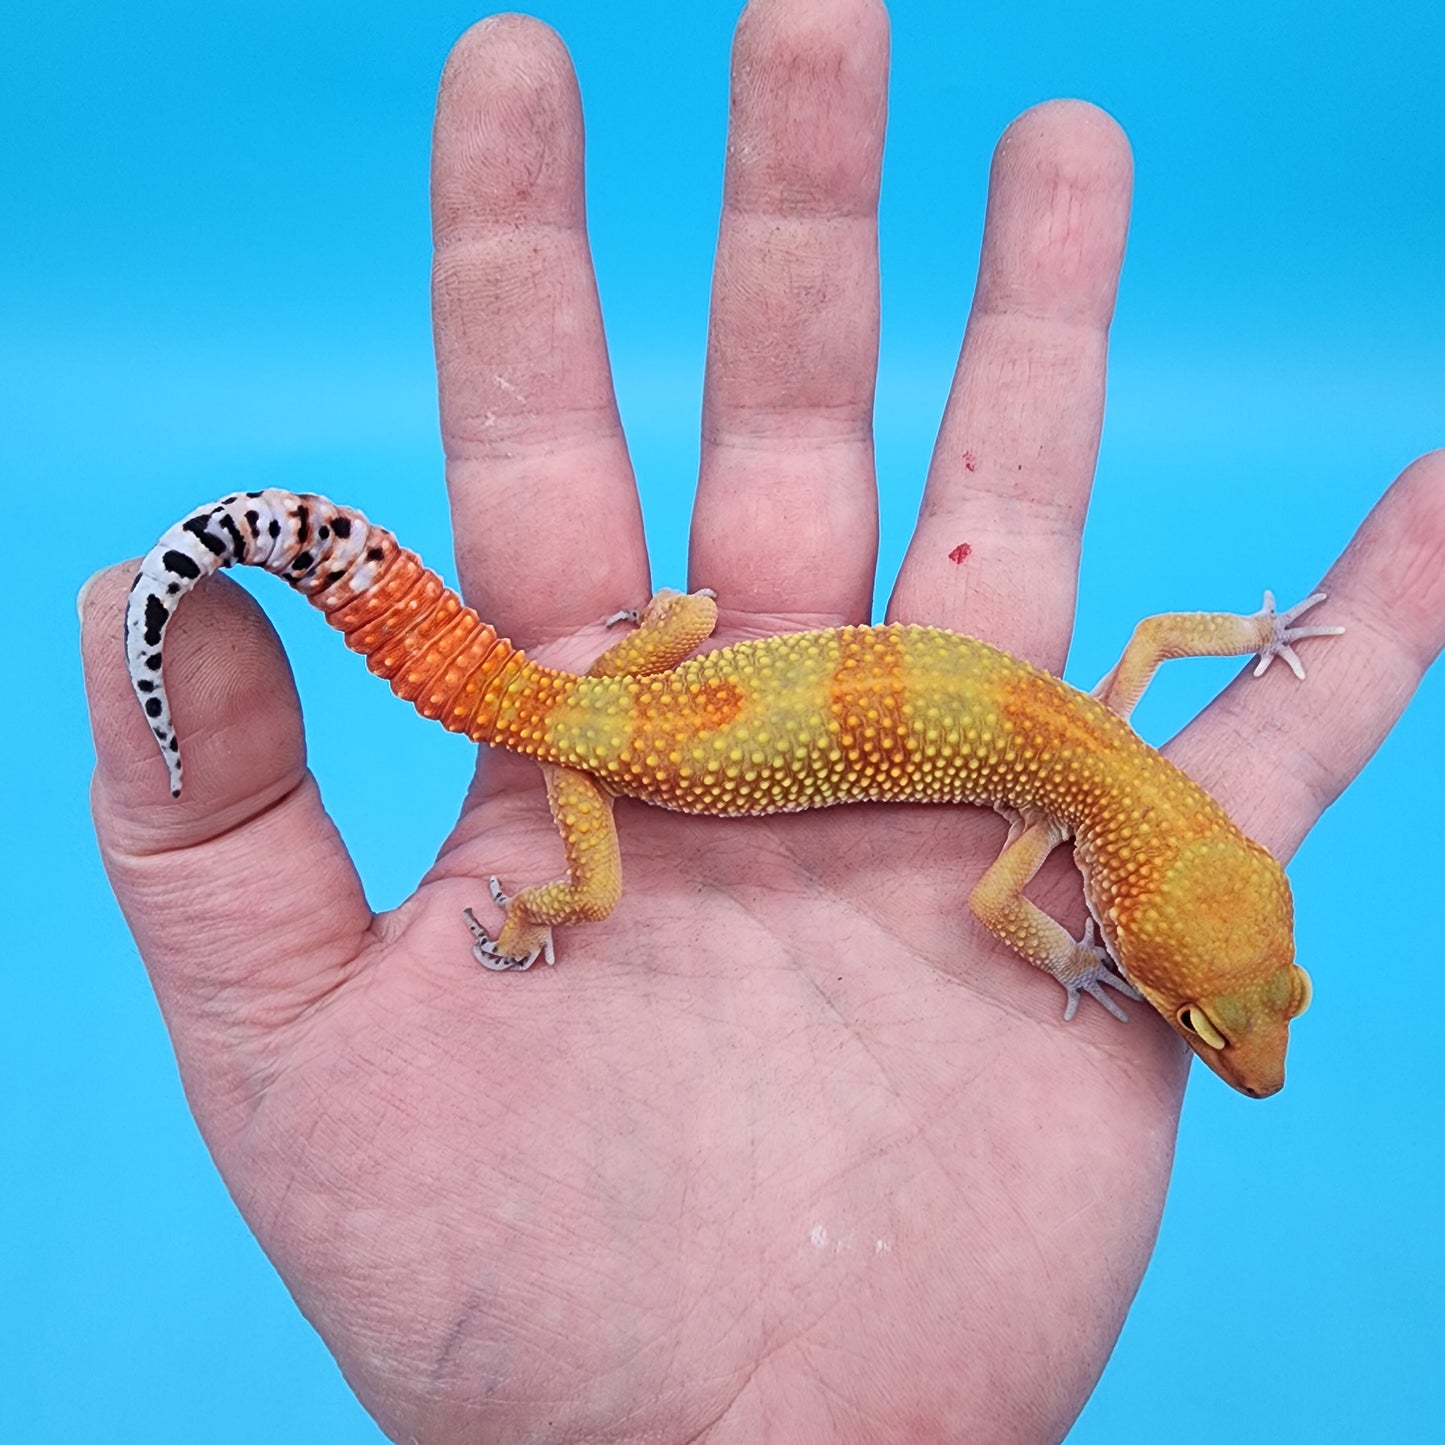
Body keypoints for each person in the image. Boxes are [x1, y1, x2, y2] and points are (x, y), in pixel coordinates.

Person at [79, 2, 1444, 1439]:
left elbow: (1161, 636)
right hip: (594, 745)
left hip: (643, 686)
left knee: (658, 628)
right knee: (592, 886)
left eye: (1228, 1011)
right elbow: (998, 912)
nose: (1231, 1034)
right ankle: (538, 887)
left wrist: (1253, 631)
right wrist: (1070, 949)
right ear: (1149, 880)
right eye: (1217, 1010)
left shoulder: (1094, 734)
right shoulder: (1062, 808)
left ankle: (383, 568)